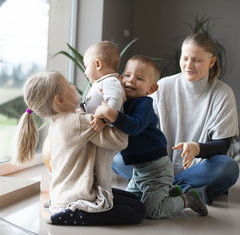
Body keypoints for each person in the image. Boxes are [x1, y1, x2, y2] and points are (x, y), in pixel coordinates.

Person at [112, 33, 239, 205]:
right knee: (116, 157)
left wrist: (196, 148)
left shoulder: (223, 94)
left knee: (228, 167)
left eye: (196, 60)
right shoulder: (162, 86)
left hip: (197, 168)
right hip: (156, 165)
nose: (188, 65)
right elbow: (139, 125)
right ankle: (184, 190)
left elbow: (223, 145)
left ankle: (164, 187)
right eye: (185, 58)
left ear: (212, 62)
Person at [14, 71, 145, 225]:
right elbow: (119, 141)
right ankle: (73, 215)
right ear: (59, 100)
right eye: (68, 85)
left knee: (133, 200)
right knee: (137, 211)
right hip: (76, 198)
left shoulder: (57, 122)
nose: (73, 86)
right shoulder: (78, 122)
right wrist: (117, 112)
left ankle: (64, 211)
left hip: (61, 195)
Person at [94, 55, 208, 218]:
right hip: (139, 170)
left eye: (139, 78)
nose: (131, 80)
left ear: (151, 89)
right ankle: (171, 193)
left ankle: (187, 199)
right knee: (133, 202)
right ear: (120, 79)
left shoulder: (144, 104)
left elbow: (134, 126)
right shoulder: (120, 101)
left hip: (156, 169)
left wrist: (113, 115)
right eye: (127, 75)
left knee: (152, 211)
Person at [81, 41, 125, 210]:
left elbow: (114, 101)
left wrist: (104, 120)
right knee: (95, 166)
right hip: (98, 134)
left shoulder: (111, 82)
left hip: (107, 135)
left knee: (102, 167)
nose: (85, 72)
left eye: (86, 66)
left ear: (97, 64)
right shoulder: (100, 84)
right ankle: (94, 194)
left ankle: (105, 199)